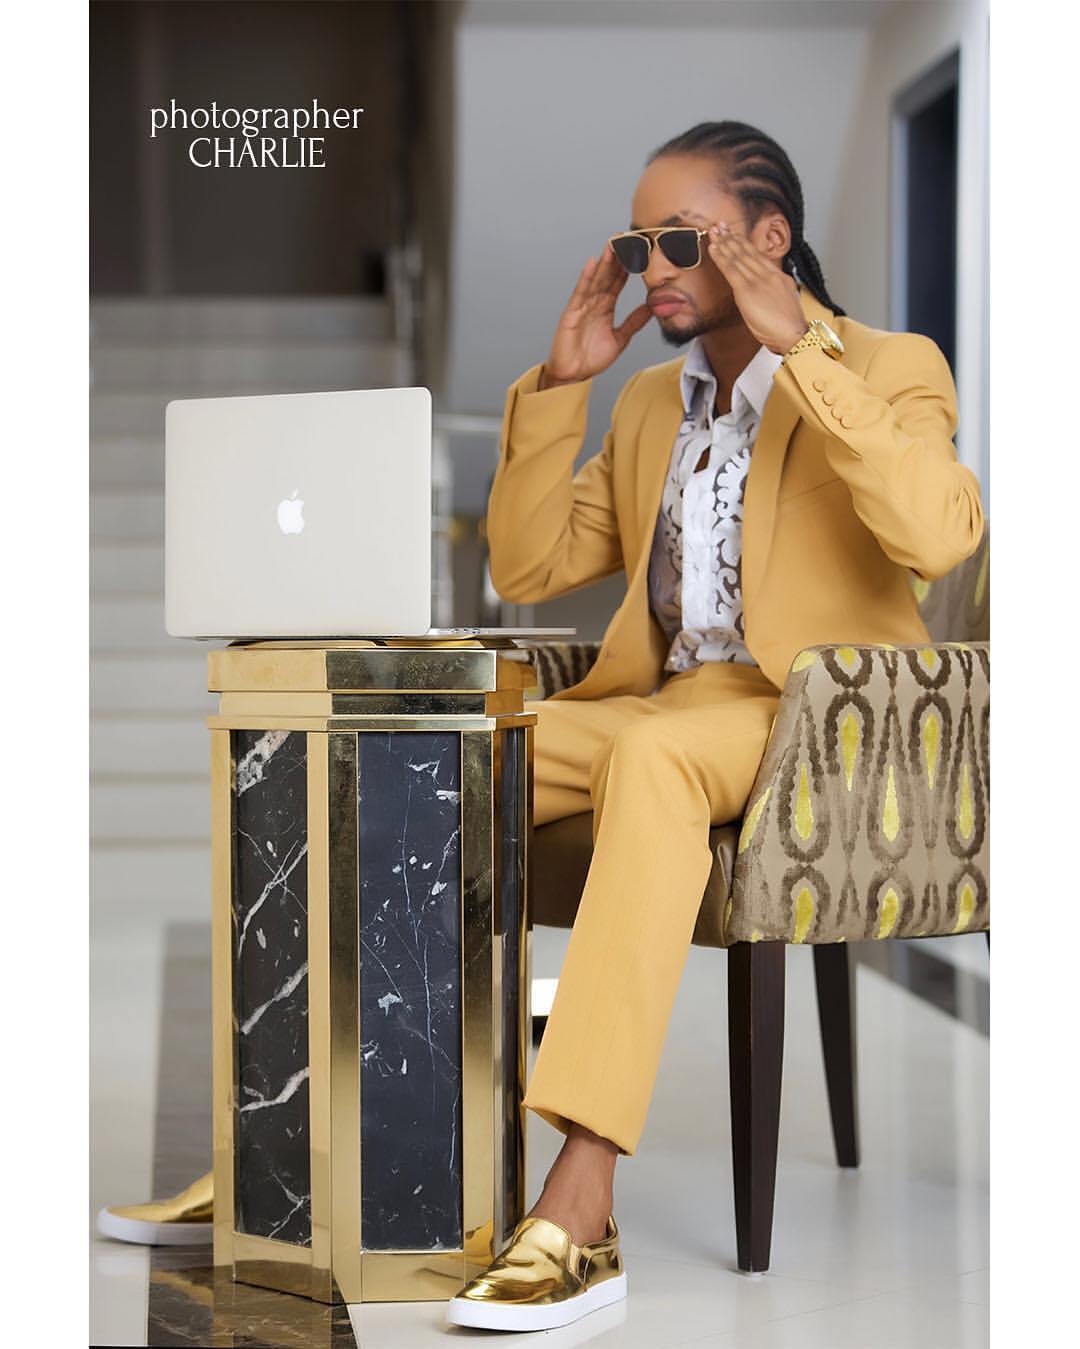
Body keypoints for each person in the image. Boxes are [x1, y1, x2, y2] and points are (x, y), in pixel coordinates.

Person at [99, 120, 985, 1333]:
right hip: (659, 705)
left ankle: (582, 1203)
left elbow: (942, 533)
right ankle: (287, 1152)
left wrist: (804, 351)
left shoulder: (890, 364)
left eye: (682, 239)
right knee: (403, 750)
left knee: (655, 760)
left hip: (811, 720)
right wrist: (562, 387)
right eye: (638, 242)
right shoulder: (651, 404)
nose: (653, 267)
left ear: (770, 238)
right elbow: (527, 561)